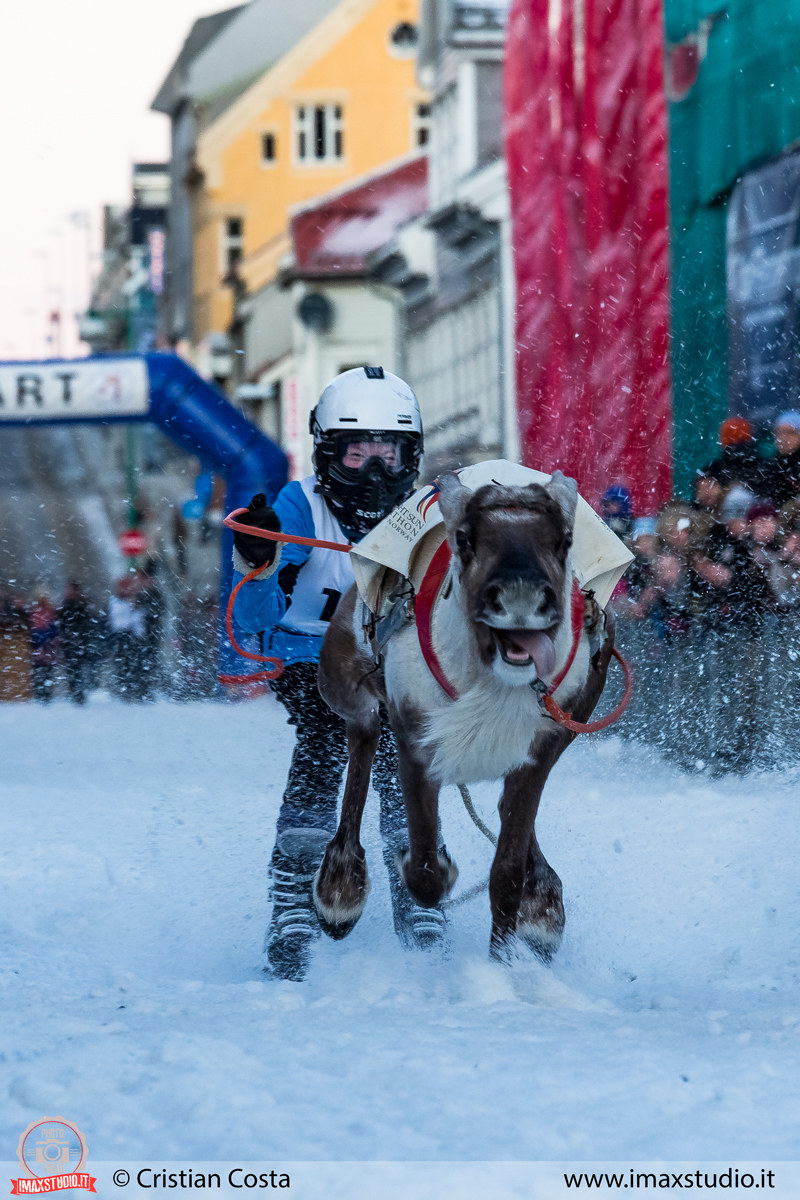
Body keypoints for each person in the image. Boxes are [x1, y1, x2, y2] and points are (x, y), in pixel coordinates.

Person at [231, 366, 440, 981]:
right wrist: (261, 564)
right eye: (357, 454)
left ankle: (417, 880)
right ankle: (293, 896)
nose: (374, 472)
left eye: (388, 454)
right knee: (328, 737)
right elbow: (253, 620)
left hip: (393, 661)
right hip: (308, 657)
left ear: (410, 456)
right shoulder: (301, 507)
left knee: (409, 755)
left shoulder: (423, 515)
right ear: (328, 454)